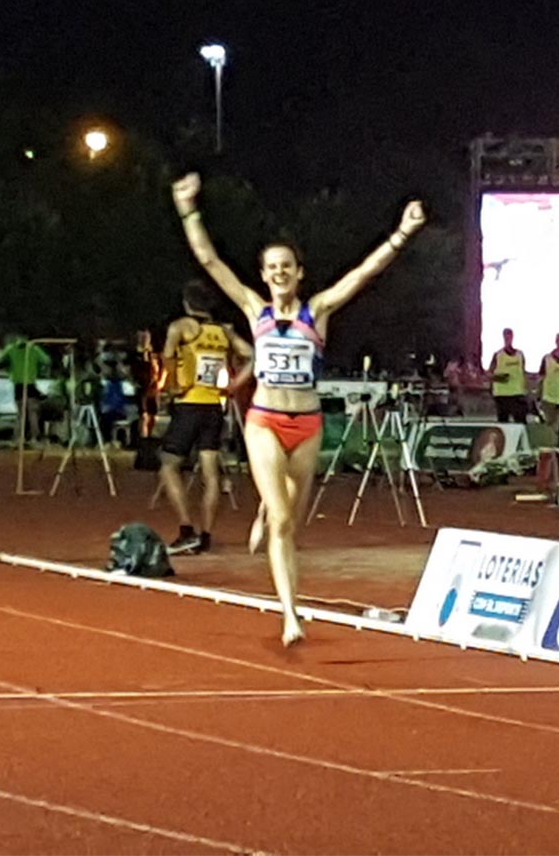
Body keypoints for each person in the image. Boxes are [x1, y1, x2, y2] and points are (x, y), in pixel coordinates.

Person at [172, 172, 425, 644]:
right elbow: (209, 259)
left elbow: (366, 273)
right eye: (272, 267)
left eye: (288, 266)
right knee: (284, 522)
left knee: (292, 519)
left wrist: (403, 232)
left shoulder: (319, 311)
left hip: (307, 425)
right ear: (265, 275)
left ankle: (268, 511)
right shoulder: (253, 310)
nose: (280, 273)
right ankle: (291, 614)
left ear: (299, 273)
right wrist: (188, 208)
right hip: (265, 420)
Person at [157, 279, 253, 554]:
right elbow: (252, 355)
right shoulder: (223, 331)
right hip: (214, 407)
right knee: (211, 473)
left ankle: (187, 530)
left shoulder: (182, 327)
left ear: (187, 303)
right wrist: (234, 385)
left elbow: (166, 357)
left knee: (168, 465)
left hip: (189, 405)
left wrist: (174, 385)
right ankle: (206, 535)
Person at [0, 333, 51, 445]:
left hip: (18, 385)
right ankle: (35, 438)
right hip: (30, 384)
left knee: (21, 414)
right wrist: (38, 367)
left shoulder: (11, 348)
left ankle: (18, 438)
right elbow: (47, 361)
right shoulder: (34, 348)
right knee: (33, 413)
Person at [488, 327, 528, 423]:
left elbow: (523, 372)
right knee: (503, 421)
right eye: (506, 336)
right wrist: (500, 378)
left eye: (509, 336)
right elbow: (490, 374)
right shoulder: (498, 355)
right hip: (502, 394)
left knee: (520, 421)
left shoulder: (520, 355)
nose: (508, 339)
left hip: (517, 392)